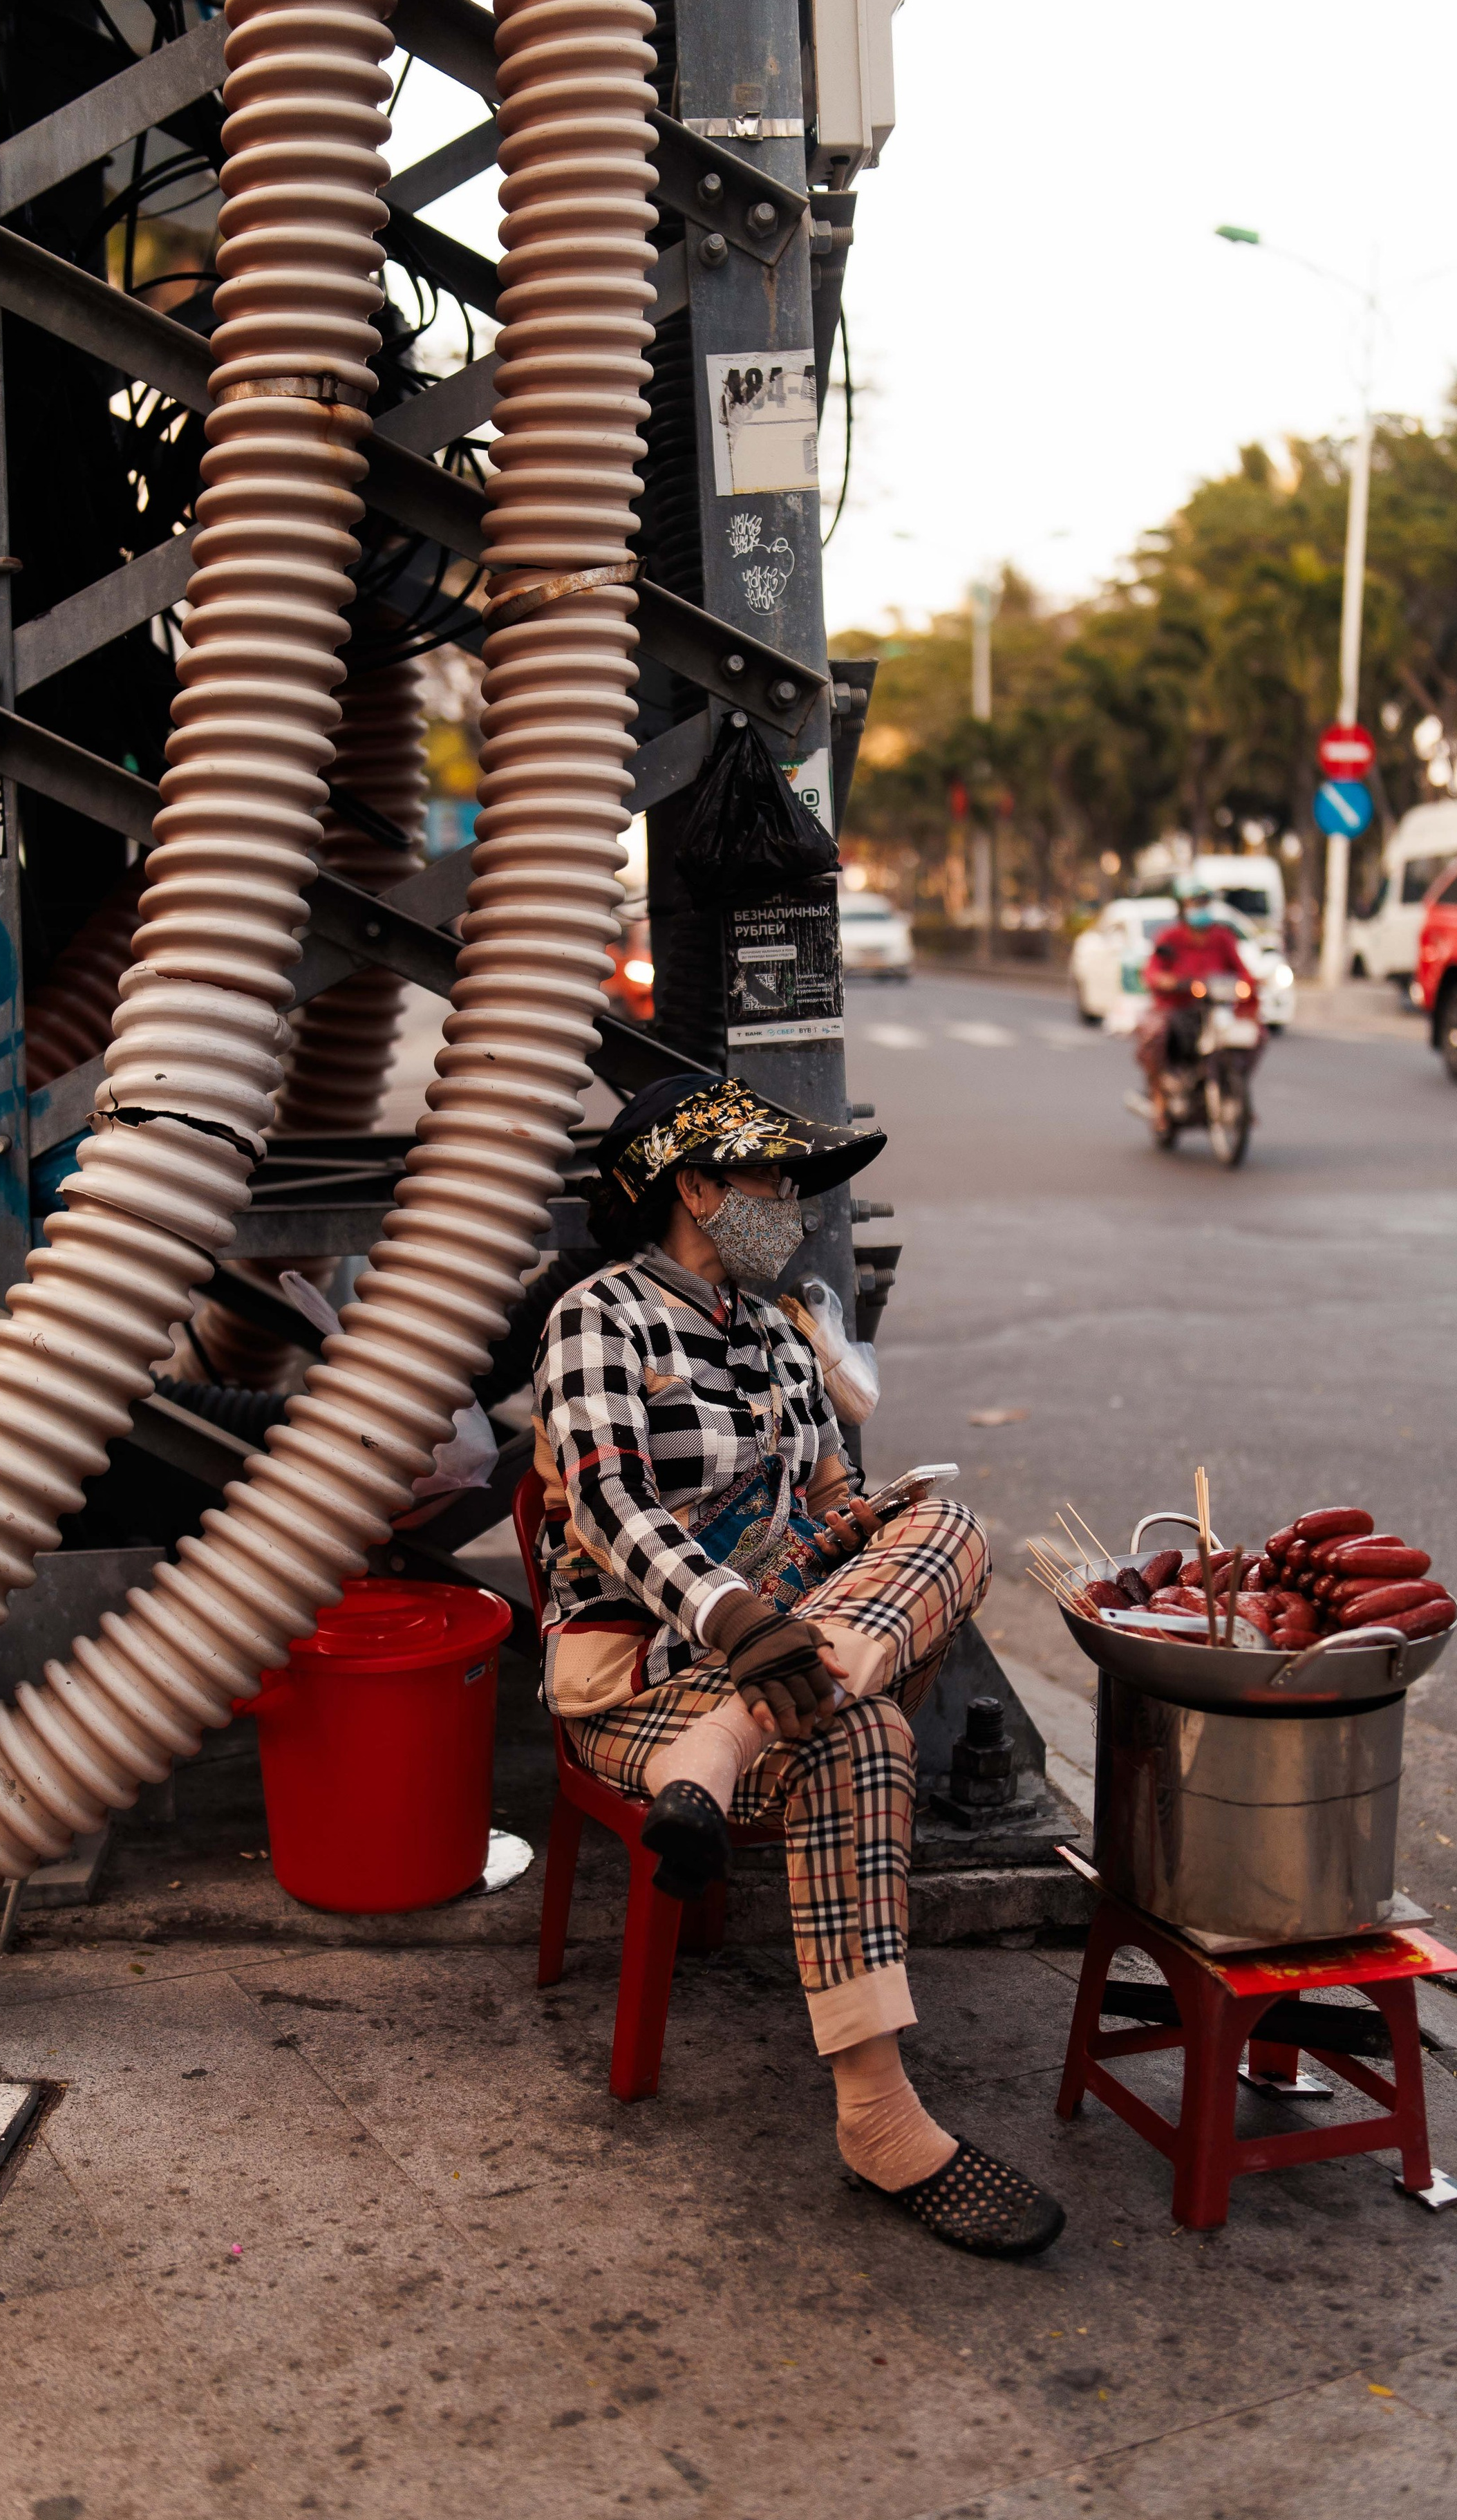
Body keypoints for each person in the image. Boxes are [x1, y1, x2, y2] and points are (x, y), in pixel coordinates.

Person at [532, 1074, 1066, 2260]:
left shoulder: (780, 1337)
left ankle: (723, 1754)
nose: (792, 1207)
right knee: (863, 1730)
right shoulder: (597, 1320)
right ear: (697, 1187)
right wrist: (731, 1618)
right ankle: (878, 2117)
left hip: (758, 1697)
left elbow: (835, 1506)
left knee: (949, 1529)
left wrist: (874, 1526)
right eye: (771, 1180)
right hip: (645, 1684)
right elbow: (610, 1502)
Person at [1136, 875, 1259, 1130]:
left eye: (1203, 902)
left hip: (1217, 1007)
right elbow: (1153, 972)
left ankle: (1236, 1091)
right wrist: (1170, 981)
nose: (1200, 908)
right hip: (1177, 1007)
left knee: (1256, 1035)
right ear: (1183, 908)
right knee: (1157, 1035)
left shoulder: (1222, 937)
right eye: (1194, 903)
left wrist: (1249, 985)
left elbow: (1242, 970)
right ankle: (1159, 1101)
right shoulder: (1170, 937)